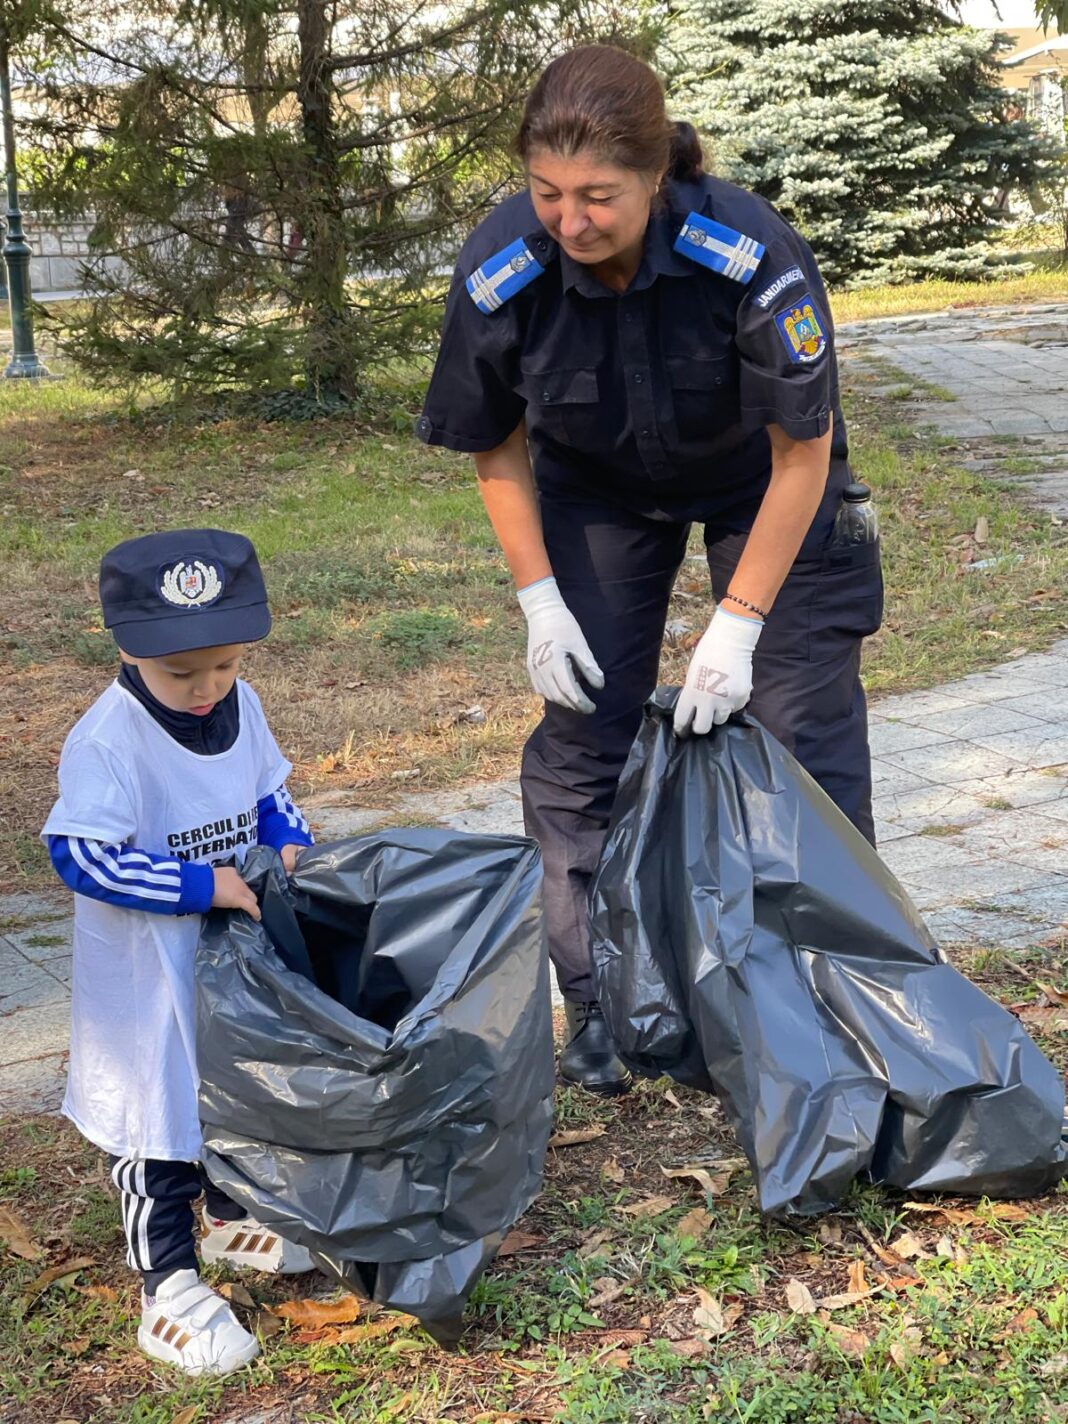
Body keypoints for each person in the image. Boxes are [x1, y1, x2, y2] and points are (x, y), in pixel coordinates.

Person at [416, 46, 884, 1096]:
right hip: (597, 491)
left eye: (597, 198)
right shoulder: (506, 264)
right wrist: (540, 600)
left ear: (656, 175)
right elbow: (496, 443)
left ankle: (832, 990)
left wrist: (740, 619)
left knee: (803, 731)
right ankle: (600, 998)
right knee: (581, 731)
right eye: (547, 193)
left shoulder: (747, 251)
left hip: (764, 483)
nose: (569, 222)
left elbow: (802, 451)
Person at [42, 529, 316, 1377]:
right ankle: (168, 1285)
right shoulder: (109, 742)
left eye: (224, 667)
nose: (206, 691)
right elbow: (79, 854)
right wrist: (200, 885)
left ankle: (233, 1215)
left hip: (223, 966)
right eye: (181, 675)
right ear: (127, 648)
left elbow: (269, 788)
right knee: (155, 1124)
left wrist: (289, 840)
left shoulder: (245, 703)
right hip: (145, 979)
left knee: (231, 1093)